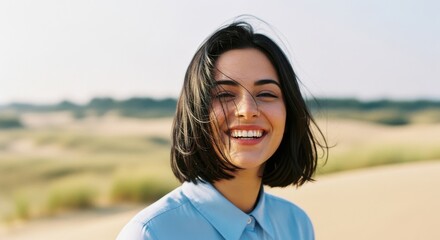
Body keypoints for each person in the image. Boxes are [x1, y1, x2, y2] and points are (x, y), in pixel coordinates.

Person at [117, 19, 327, 240]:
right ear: (196, 111)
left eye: (266, 94)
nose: (247, 110)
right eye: (225, 95)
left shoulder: (296, 224)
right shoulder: (150, 233)